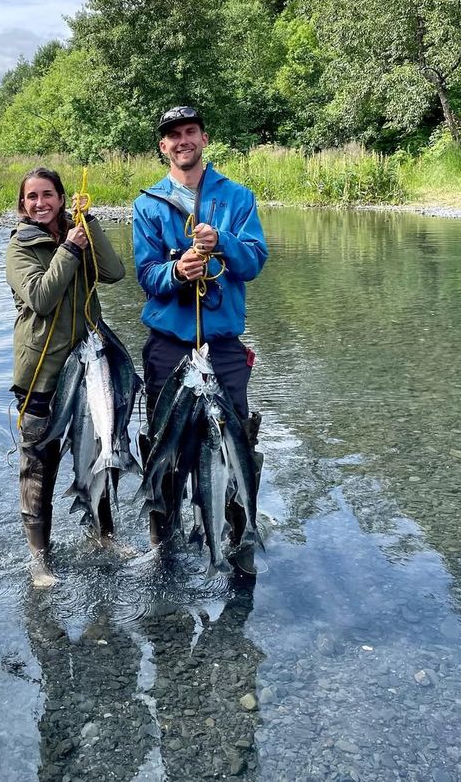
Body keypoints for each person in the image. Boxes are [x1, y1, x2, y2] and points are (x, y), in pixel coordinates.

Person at [132, 106, 268, 573]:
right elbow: (146, 275)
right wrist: (177, 270)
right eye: (173, 135)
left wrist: (222, 241)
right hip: (168, 345)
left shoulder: (237, 197)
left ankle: (239, 537)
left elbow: (253, 262)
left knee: (235, 443)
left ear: (204, 138)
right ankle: (163, 546)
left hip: (224, 345)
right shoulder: (147, 204)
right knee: (164, 445)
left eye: (190, 131)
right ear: (163, 147)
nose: (182, 140)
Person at [6, 167, 125, 586]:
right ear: (23, 204)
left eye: (48, 195)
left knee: (98, 453)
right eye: (32, 197)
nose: (40, 204)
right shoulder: (19, 248)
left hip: (90, 371)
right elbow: (40, 297)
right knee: (38, 468)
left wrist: (88, 225)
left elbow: (114, 274)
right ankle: (40, 560)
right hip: (42, 378)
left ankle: (103, 536)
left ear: (61, 198)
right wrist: (70, 251)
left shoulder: (78, 234)